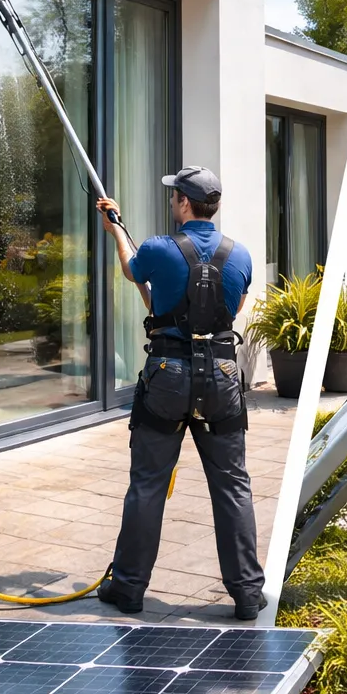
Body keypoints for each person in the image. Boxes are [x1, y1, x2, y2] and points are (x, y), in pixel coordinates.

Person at [94, 165, 265, 620]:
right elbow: (229, 312)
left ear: (185, 203)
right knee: (232, 485)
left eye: (174, 196)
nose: (172, 201)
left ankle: (128, 588)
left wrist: (116, 230)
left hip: (168, 375)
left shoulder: (157, 248)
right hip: (222, 376)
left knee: (148, 483)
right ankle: (248, 593)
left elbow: (133, 271)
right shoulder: (241, 255)